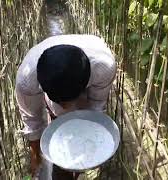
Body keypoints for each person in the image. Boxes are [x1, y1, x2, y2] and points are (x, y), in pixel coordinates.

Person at [15, 34, 116, 180]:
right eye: (61, 103)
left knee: (82, 130)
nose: (67, 107)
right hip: (59, 94)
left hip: (86, 79)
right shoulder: (27, 80)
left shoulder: (103, 68)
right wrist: (36, 155)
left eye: (67, 101)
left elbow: (96, 110)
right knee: (62, 158)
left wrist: (92, 150)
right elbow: (32, 120)